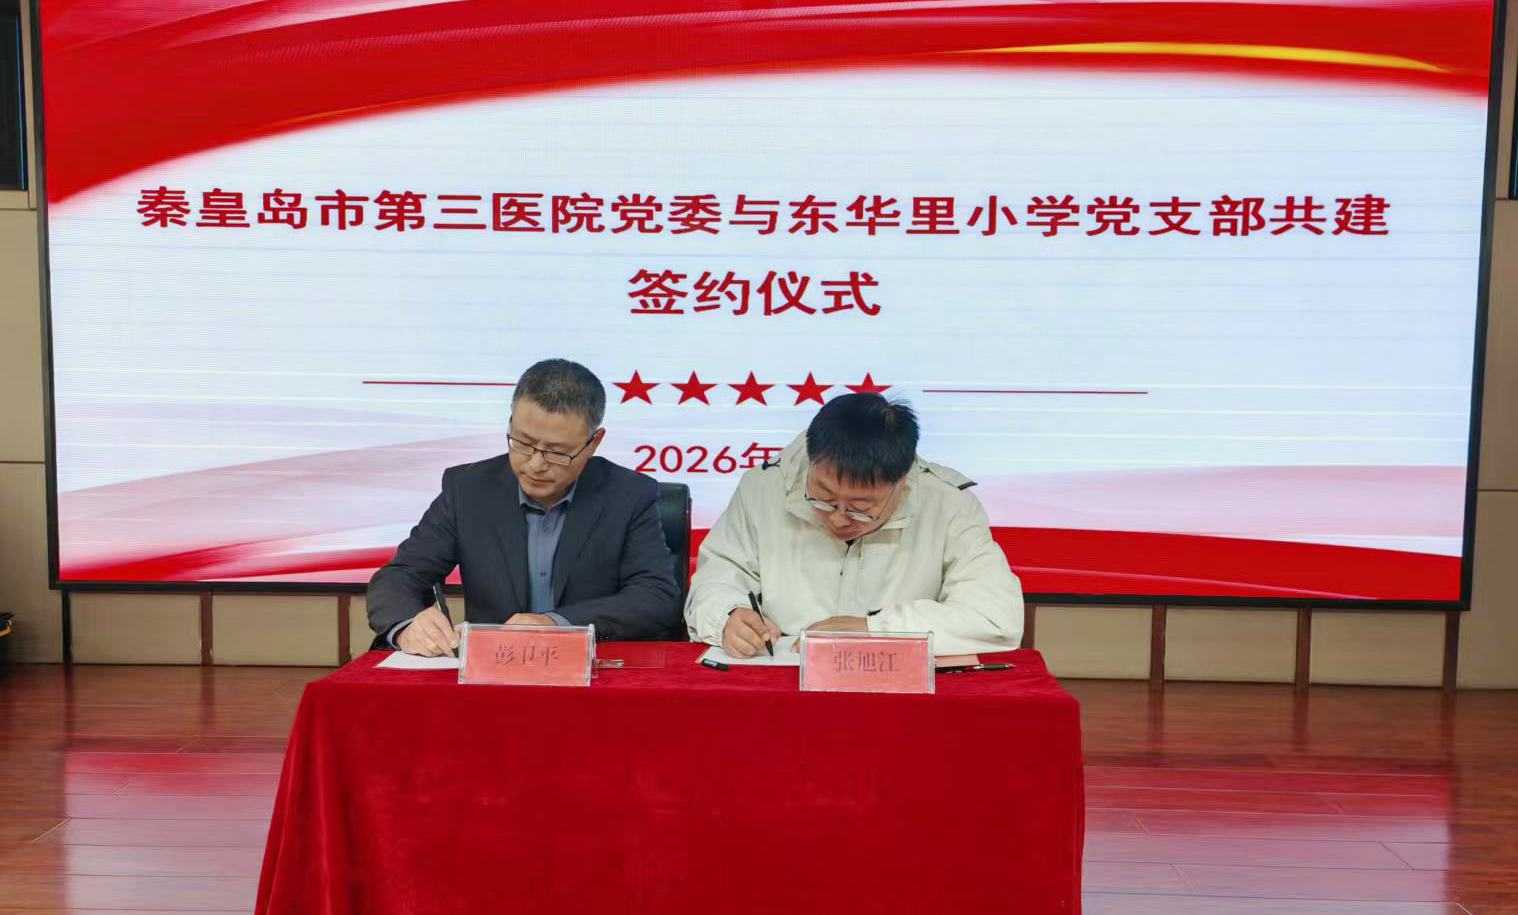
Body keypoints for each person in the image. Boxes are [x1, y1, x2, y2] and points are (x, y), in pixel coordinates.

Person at [368, 359, 682, 655]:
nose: (535, 464)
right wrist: (409, 624)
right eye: (523, 442)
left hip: (593, 672)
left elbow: (655, 597)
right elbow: (400, 576)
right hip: (493, 671)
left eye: (558, 452)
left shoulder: (629, 495)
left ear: (593, 443)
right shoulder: (468, 489)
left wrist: (557, 624)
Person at [685, 392, 1022, 658]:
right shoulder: (764, 487)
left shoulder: (948, 504)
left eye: (860, 509)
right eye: (823, 498)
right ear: (811, 460)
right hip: (780, 676)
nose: (837, 518)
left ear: (901, 482)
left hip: (896, 686)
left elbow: (995, 619)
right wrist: (727, 616)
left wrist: (874, 630)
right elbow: (716, 578)